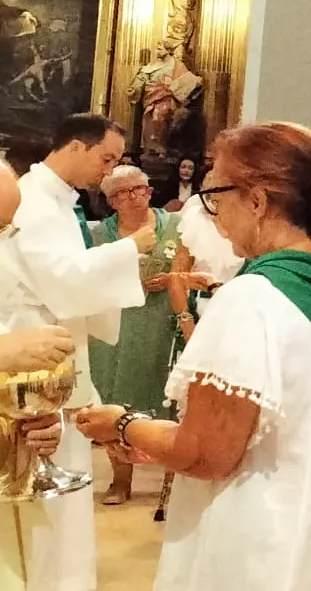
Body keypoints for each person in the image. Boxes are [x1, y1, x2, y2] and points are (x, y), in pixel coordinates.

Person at [72, 121, 311, 589]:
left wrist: (121, 423)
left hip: (277, 543)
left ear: (257, 201)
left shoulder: (252, 300)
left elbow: (206, 454)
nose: (213, 211)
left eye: (216, 193)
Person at [0, 114, 150, 589]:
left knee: (53, 472)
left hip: (43, 350)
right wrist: (129, 249)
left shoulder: (51, 200)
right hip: (25, 348)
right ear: (76, 147)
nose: (107, 172)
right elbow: (61, 281)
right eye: (105, 159)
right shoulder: (35, 200)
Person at [84, 163, 182, 505]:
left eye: (139, 189)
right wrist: (131, 282)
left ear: (150, 192)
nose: (133, 197)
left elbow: (192, 267)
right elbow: (88, 279)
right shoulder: (99, 235)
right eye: (122, 193)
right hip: (118, 323)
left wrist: (171, 280)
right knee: (118, 394)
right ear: (111, 201)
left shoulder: (176, 226)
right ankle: (120, 480)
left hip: (162, 320)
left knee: (165, 395)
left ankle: (170, 488)